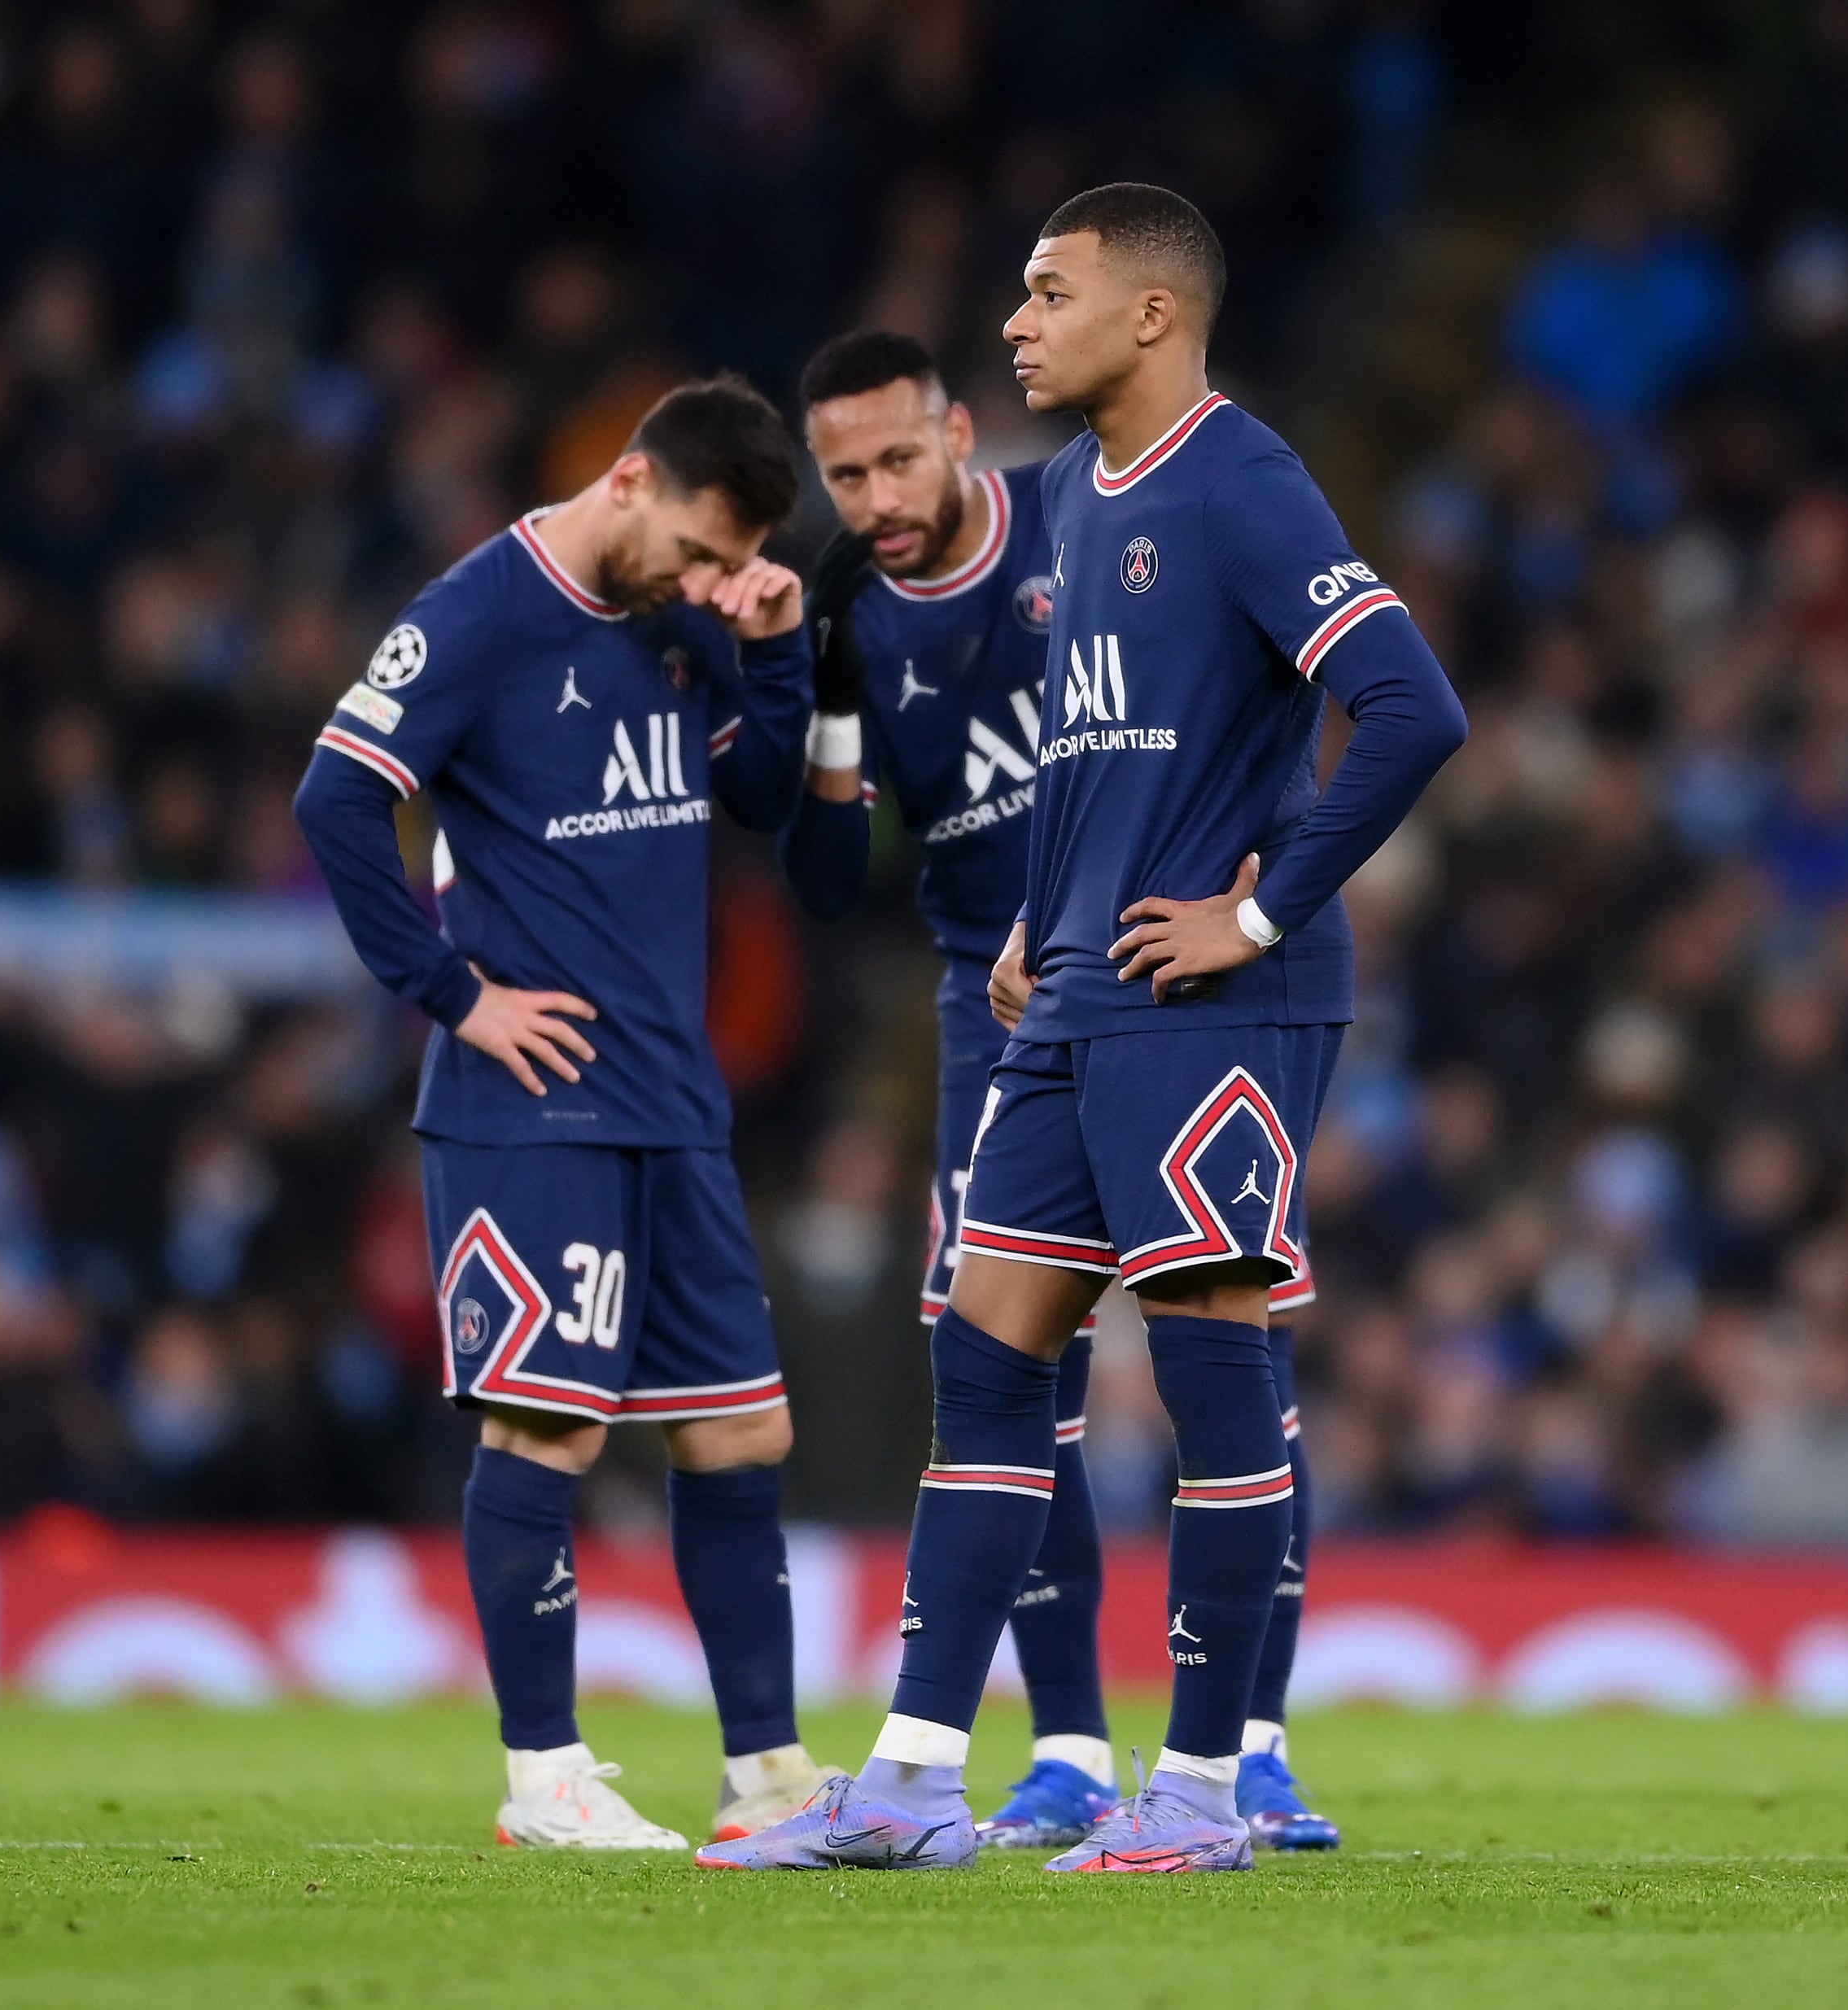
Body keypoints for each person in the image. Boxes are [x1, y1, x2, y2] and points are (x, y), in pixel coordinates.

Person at [705, 186, 1466, 1874]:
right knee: (986, 1356)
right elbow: (1094, 748)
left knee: (1212, 1372)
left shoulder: (1240, 477)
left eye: (1049, 293)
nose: (1019, 322)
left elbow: (1412, 701)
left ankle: (1202, 1785)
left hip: (1211, 994)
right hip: (1073, 992)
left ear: (1151, 315)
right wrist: (1049, 909)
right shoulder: (1070, 503)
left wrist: (1258, 912)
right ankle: (911, 1779)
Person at [779, 328, 1340, 1851]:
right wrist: (824, 693)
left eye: (899, 457)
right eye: (844, 474)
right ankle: (1069, 1752)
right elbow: (830, 880)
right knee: (1003, 1363)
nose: (878, 496)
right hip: (994, 1001)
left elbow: (1263, 706)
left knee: (1224, 1335)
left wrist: (1259, 898)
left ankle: (1249, 1749)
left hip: (1153, 978)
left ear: (960, 433)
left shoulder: (1086, 511)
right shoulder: (852, 615)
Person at [294, 374, 843, 1851]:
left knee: (741, 1435)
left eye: (730, 565)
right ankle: (543, 1776)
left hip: (674, 1098)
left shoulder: (687, 621)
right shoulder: (477, 614)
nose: (707, 581)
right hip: (531, 1105)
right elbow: (336, 797)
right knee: (545, 1432)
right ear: (628, 484)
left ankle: (769, 1778)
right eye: (700, 551)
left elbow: (768, 802)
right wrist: (454, 993)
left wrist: (775, 654)